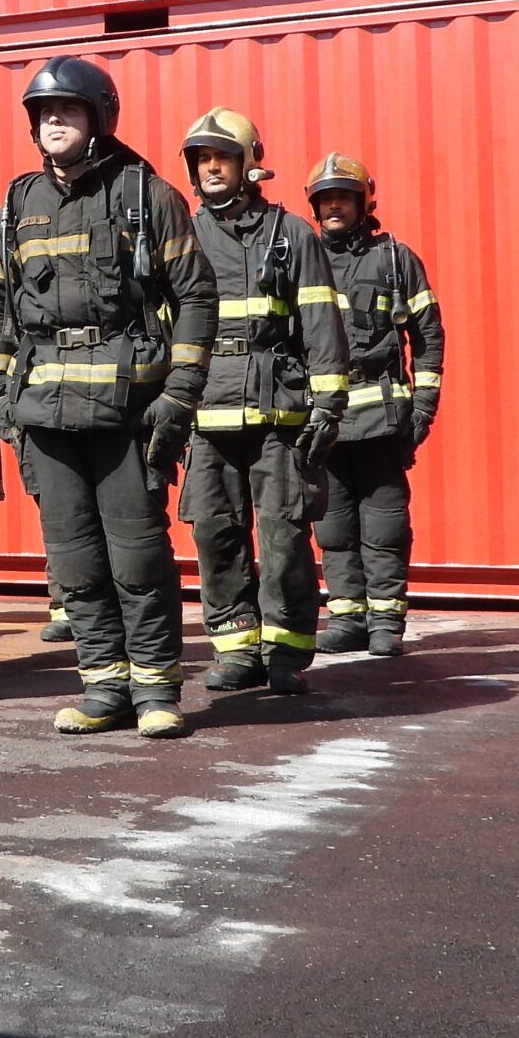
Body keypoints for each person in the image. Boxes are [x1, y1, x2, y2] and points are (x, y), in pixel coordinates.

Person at [0, 57, 217, 738]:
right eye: (43, 113)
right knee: (74, 558)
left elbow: (195, 296)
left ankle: (157, 690)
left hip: (128, 407)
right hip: (44, 410)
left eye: (67, 110)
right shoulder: (19, 202)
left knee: (137, 555)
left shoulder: (146, 195)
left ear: (98, 119)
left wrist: (179, 394)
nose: (53, 122)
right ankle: (103, 686)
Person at [174, 110, 349, 696]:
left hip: (277, 412)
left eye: (222, 156)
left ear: (251, 162)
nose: (212, 168)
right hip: (205, 411)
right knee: (215, 535)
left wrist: (329, 402)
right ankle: (236, 647)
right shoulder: (183, 235)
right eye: (202, 159)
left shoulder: (289, 232)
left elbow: (321, 321)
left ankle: (287, 649)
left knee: (282, 537)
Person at [303, 158, 444, 656]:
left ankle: (386, 620)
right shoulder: (303, 257)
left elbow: (427, 334)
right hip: (322, 420)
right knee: (333, 524)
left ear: (365, 202)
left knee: (385, 524)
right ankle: (346, 618)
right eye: (325, 198)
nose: (333, 205)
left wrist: (423, 406)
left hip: (383, 418)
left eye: (343, 196)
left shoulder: (394, 259)